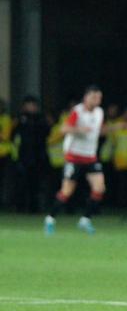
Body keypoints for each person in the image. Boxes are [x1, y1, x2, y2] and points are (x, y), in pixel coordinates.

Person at [45, 86, 106, 235]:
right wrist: (79, 130)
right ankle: (50, 219)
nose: (97, 100)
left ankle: (85, 220)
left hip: (90, 157)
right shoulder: (78, 112)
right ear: (86, 97)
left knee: (99, 188)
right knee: (66, 192)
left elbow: (98, 129)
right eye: (94, 97)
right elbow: (64, 129)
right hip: (74, 157)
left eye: (99, 98)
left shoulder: (99, 112)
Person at [11, 96, 50, 213]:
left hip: (39, 156)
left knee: (36, 184)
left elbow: (47, 133)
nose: (31, 107)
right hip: (24, 156)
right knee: (22, 183)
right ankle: (20, 207)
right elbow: (12, 135)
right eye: (29, 105)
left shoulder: (41, 119)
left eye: (33, 105)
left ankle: (35, 207)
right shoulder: (19, 119)